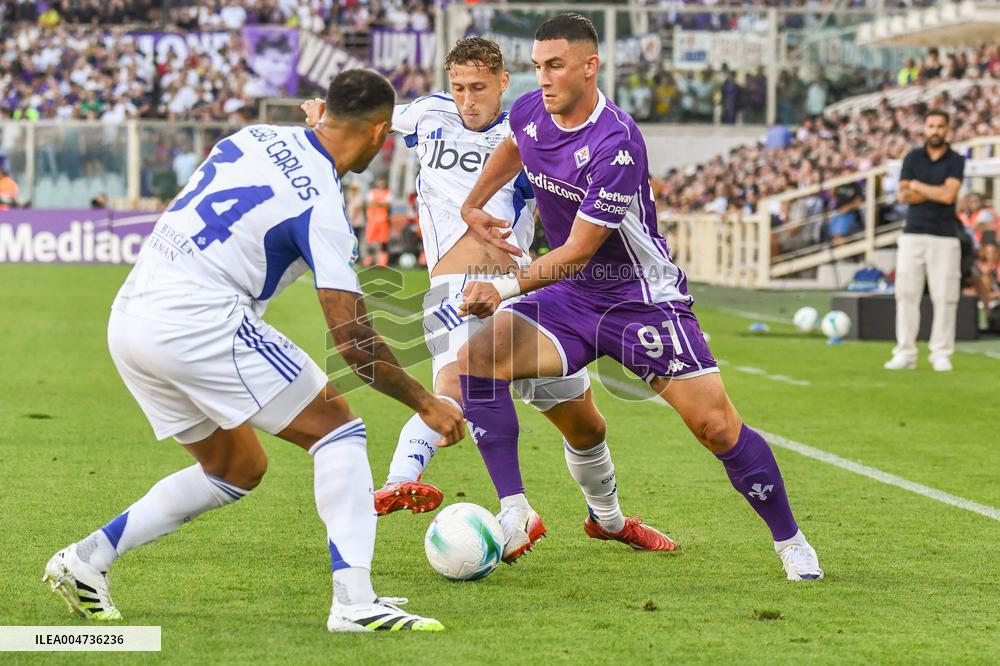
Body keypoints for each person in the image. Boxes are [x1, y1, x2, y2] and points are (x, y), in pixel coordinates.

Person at [43, 70, 464, 633]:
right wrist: (427, 403)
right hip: (200, 321)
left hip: (131, 318)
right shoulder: (324, 208)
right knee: (339, 431)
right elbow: (354, 341)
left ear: (324, 113)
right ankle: (355, 603)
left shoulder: (251, 136)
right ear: (380, 132)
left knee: (236, 466)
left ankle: (87, 560)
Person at [458, 13, 823, 581]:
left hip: (640, 300)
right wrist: (473, 203)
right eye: (537, 67)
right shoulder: (532, 110)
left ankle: (791, 542)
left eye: (555, 66)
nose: (544, 78)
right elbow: (515, 145)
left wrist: (500, 286)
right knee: (479, 359)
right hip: (572, 296)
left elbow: (579, 247)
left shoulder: (617, 141)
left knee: (717, 428)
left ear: (589, 65)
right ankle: (514, 511)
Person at [302, 37, 673, 560]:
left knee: (586, 425)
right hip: (455, 289)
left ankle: (608, 522)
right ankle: (399, 482)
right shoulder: (428, 114)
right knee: (455, 380)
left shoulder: (529, 130)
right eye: (458, 88)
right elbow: (371, 117)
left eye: (478, 87)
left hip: (522, 294)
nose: (467, 99)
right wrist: (328, 117)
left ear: (504, 83)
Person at [886, 109, 965, 372]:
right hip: (913, 233)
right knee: (906, 293)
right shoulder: (912, 157)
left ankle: (941, 352)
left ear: (947, 129)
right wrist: (931, 190)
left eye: (940, 126)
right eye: (931, 125)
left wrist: (918, 187)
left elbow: (948, 196)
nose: (935, 131)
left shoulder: (955, 160)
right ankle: (905, 352)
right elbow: (903, 196)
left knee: (945, 296)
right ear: (925, 128)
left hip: (944, 235)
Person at [364, 178, 391, 267]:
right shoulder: (372, 192)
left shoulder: (388, 192)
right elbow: (368, 203)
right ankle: (368, 261)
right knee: (370, 241)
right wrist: (381, 204)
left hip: (383, 220)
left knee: (383, 241)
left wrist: (376, 203)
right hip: (372, 220)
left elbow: (388, 205)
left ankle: (382, 262)